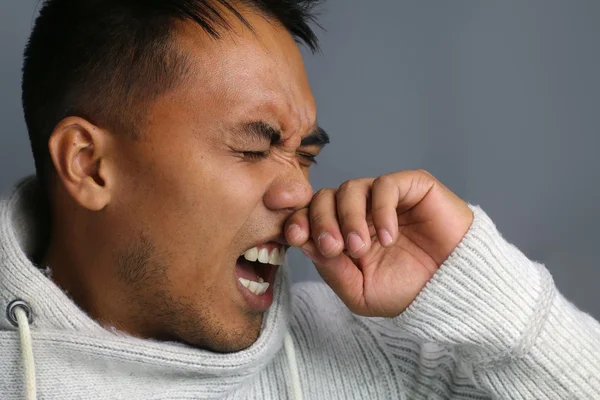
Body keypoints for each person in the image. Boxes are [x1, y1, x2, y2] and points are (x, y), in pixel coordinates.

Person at [1, 0, 598, 399]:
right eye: (253, 148)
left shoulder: (377, 353)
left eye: (303, 155)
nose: (299, 193)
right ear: (89, 165)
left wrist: (492, 298)